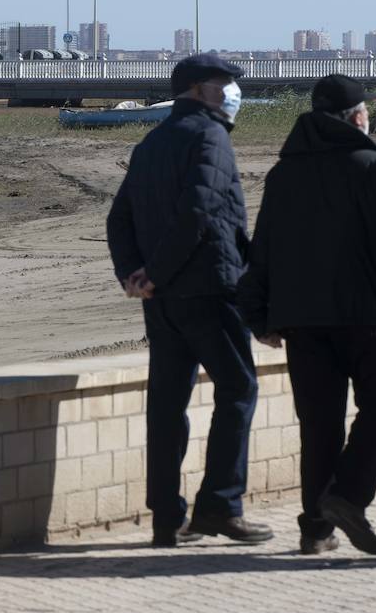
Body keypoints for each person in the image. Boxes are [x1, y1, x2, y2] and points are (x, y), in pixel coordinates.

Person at [238, 75, 376, 555]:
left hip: (304, 321)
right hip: (366, 315)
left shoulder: (284, 173)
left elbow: (262, 248)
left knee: (319, 424)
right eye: (365, 110)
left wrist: (258, 315)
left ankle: (316, 529)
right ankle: (347, 495)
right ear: (356, 117)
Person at [107, 53, 273, 548]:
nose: (229, 94)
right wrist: (151, 272)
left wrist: (135, 276)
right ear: (199, 90)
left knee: (167, 404)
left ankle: (166, 517)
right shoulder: (210, 136)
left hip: (162, 300)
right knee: (239, 390)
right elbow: (197, 212)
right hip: (207, 289)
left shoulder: (151, 142)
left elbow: (120, 219)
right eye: (223, 86)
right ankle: (220, 507)